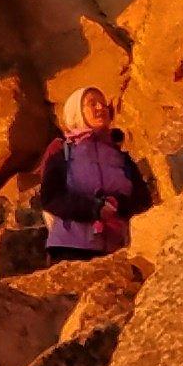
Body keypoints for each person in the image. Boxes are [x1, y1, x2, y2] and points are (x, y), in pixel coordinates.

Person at [37, 86, 149, 256]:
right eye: (92, 104)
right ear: (76, 112)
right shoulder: (62, 152)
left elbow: (143, 201)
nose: (100, 108)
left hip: (116, 249)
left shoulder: (121, 157)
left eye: (103, 104)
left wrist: (117, 204)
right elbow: (51, 198)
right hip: (70, 248)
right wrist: (94, 208)